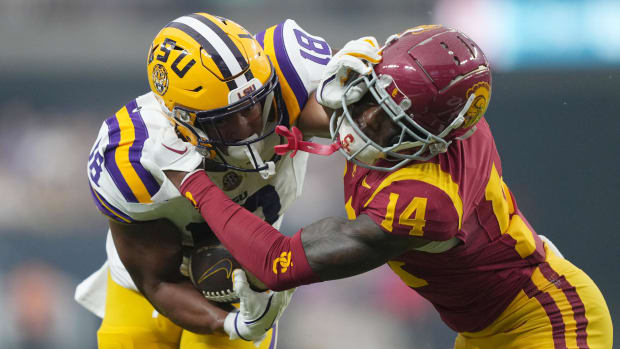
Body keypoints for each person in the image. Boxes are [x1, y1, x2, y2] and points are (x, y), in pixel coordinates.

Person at [168, 25, 614, 348]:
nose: (363, 123)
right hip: (483, 331)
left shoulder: (426, 200)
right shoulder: (417, 105)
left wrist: (191, 180)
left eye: (389, 124)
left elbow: (278, 263)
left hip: (542, 323)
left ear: (432, 139)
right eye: (371, 99)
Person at [75, 12, 334, 349]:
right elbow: (158, 282)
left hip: (246, 272)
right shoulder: (134, 157)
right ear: (183, 122)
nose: (248, 128)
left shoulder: (289, 73)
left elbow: (353, 121)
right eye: (225, 120)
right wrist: (231, 324)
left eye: (252, 107)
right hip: (148, 283)